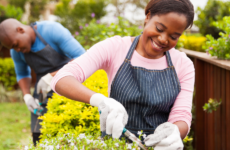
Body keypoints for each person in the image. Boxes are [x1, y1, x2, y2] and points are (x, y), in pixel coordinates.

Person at [51, 0, 195, 149]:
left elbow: (181, 115)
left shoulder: (183, 64)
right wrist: (100, 100)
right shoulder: (115, 48)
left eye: (174, 37)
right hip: (115, 145)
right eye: (159, 28)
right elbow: (62, 79)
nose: (163, 39)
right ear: (148, 17)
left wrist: (174, 132)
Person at [0, 19, 85, 146]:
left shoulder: (52, 30)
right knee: (39, 139)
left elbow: (82, 57)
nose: (17, 49)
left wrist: (52, 77)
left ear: (20, 30)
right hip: (42, 92)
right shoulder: (16, 52)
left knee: (67, 138)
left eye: (16, 44)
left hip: (69, 87)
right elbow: (22, 74)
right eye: (13, 48)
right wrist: (26, 96)